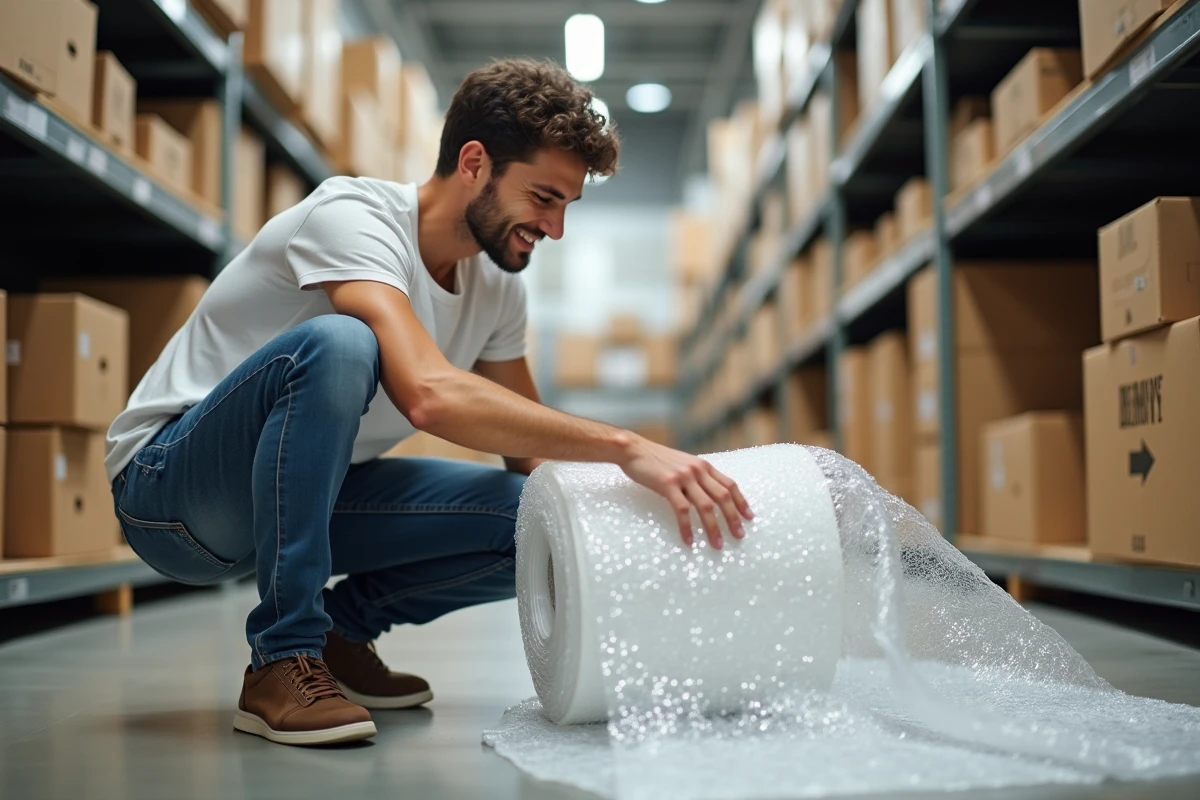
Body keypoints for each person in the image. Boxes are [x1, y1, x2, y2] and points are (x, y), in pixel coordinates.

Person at [106, 58, 753, 747]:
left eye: (567, 204)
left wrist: (630, 537)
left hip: (301, 497)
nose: (556, 228)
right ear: (474, 162)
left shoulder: (498, 287)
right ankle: (281, 657)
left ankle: (337, 635)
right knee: (339, 344)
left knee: (539, 522)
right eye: (543, 197)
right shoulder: (353, 217)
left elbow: (531, 458)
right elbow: (426, 393)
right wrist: (629, 447)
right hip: (172, 493)